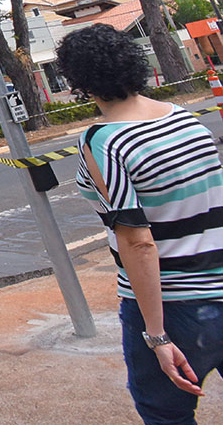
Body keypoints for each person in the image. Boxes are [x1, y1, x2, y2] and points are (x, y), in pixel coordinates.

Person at [56, 24, 223, 424]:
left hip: (175, 303)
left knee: (165, 411)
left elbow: (138, 242)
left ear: (77, 80)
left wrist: (156, 334)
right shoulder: (183, 118)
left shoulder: (105, 141)